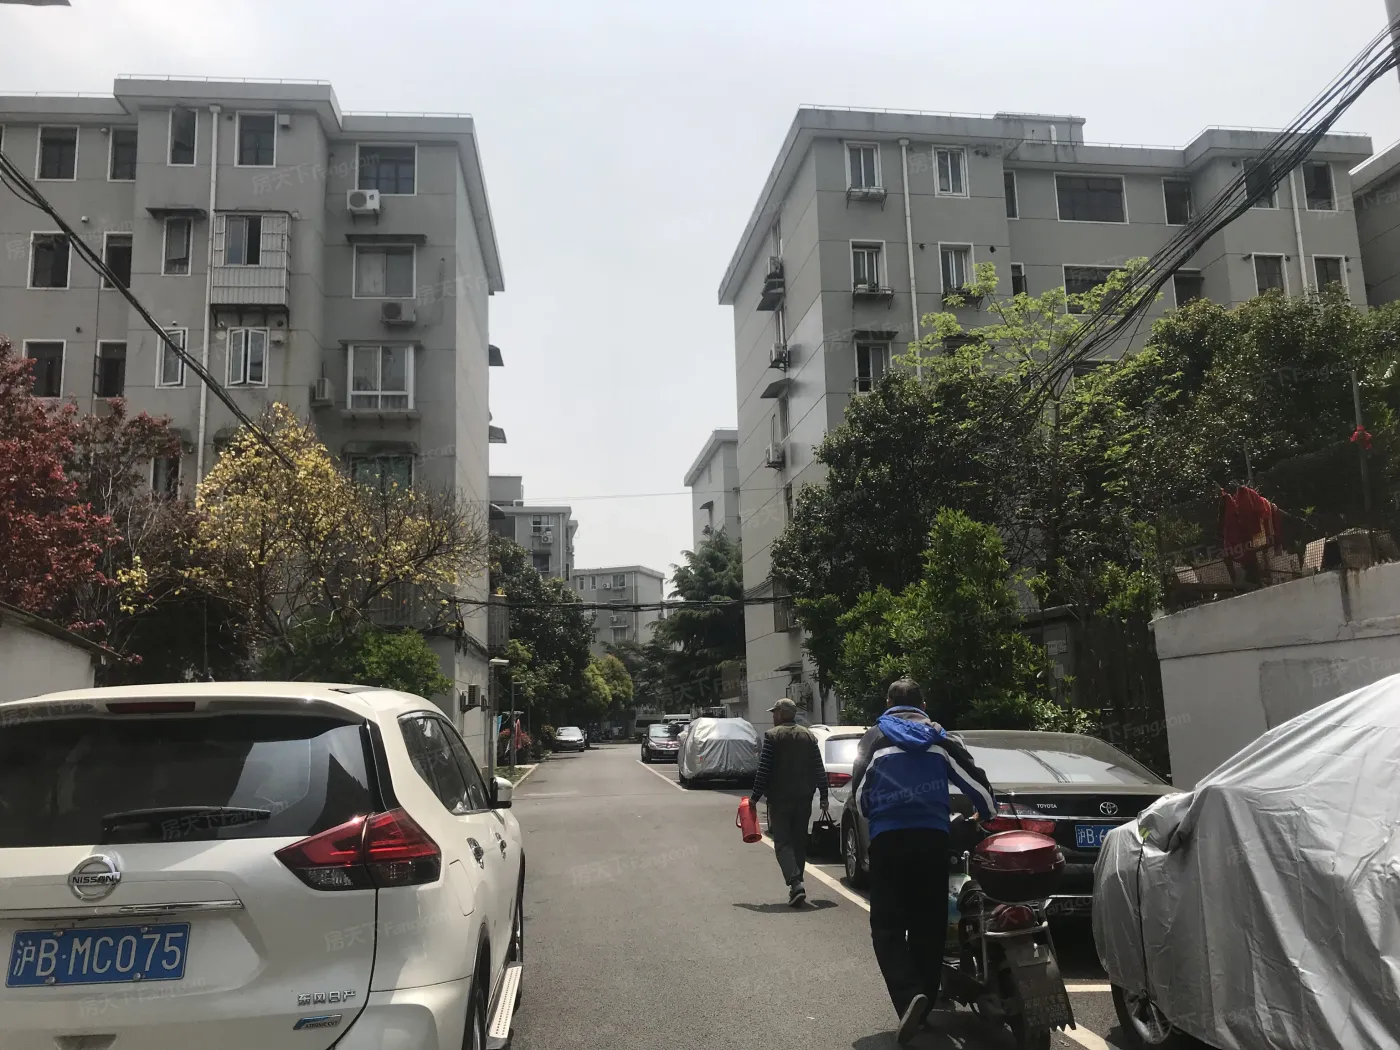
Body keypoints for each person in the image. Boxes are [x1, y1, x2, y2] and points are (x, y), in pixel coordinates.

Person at [848, 678, 995, 1044]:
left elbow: (861, 797)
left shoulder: (874, 738)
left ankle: (908, 996)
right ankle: (925, 1004)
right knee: (928, 924)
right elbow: (977, 786)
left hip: (888, 842)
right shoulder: (940, 738)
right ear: (923, 705)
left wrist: (881, 811)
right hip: (932, 840)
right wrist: (985, 814)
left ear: (887, 704)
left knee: (887, 927)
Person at [748, 698, 829, 906]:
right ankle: (797, 885)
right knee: (799, 842)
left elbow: (764, 770)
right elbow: (818, 767)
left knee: (783, 842)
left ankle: (795, 883)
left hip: (780, 799)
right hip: (804, 798)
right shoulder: (808, 736)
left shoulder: (772, 736)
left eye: (775, 712)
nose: (773, 716)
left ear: (782, 714)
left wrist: (754, 797)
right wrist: (824, 795)